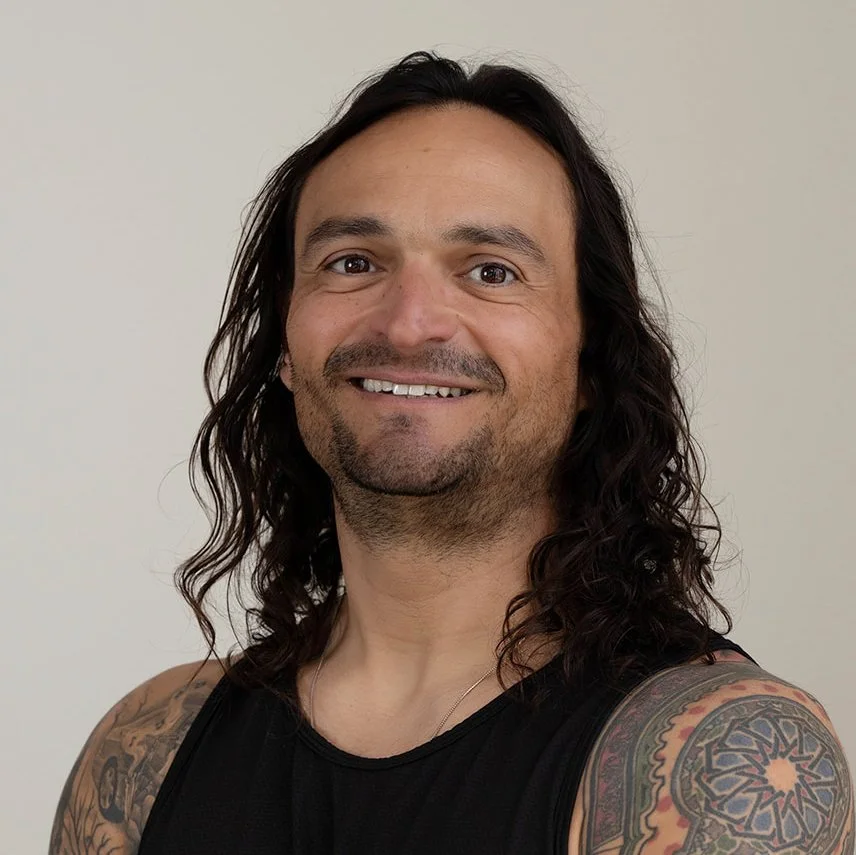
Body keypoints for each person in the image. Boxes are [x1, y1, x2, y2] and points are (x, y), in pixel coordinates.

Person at [49, 51, 854, 855]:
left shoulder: (722, 759)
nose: (407, 324)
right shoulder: (142, 757)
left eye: (490, 271)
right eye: (353, 262)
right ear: (284, 345)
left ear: (589, 364)